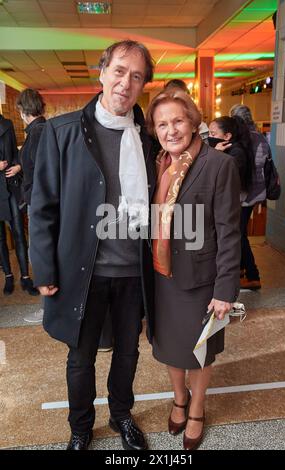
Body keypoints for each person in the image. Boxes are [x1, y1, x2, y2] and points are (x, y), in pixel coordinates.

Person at [29, 40, 156, 451]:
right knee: (80, 358)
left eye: (136, 76)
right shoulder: (61, 131)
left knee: (127, 354)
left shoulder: (148, 138)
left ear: (143, 86)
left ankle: (121, 415)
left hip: (132, 272)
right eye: (120, 71)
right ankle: (81, 427)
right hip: (83, 272)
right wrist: (44, 270)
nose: (126, 82)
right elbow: (43, 205)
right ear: (101, 72)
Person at [146, 90, 241, 450]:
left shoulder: (219, 165)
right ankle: (179, 398)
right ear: (155, 130)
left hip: (202, 280)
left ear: (194, 122)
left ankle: (197, 408)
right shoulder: (158, 162)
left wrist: (225, 289)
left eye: (178, 121)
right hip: (161, 274)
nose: (171, 130)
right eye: (162, 124)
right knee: (169, 346)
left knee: (199, 350)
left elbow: (230, 231)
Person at [16, 88, 46, 320]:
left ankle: (47, 308)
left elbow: (40, 175)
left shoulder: (37, 133)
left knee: (39, 253)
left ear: (23, 110)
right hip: (39, 203)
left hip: (39, 204)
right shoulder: (42, 130)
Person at [230, 104, 267, 290]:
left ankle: (253, 275)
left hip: (243, 195)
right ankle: (242, 269)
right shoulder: (260, 137)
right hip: (257, 193)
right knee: (241, 232)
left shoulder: (240, 139)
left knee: (239, 234)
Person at [0, 113, 38, 296]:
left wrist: (18, 166)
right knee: (0, 238)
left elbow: (16, 153)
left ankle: (25, 277)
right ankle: (8, 276)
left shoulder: (6, 124)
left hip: (11, 186)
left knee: (19, 234)